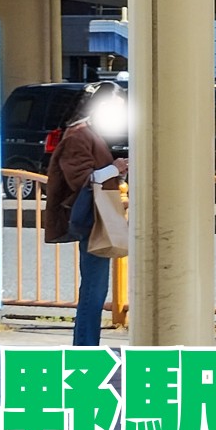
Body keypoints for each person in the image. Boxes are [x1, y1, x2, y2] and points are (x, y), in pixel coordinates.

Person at [43, 81, 128, 347]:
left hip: (94, 216)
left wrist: (115, 170)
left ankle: (86, 345)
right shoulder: (79, 135)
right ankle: (85, 347)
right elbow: (82, 179)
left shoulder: (84, 133)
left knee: (94, 287)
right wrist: (115, 168)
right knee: (94, 289)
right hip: (92, 218)